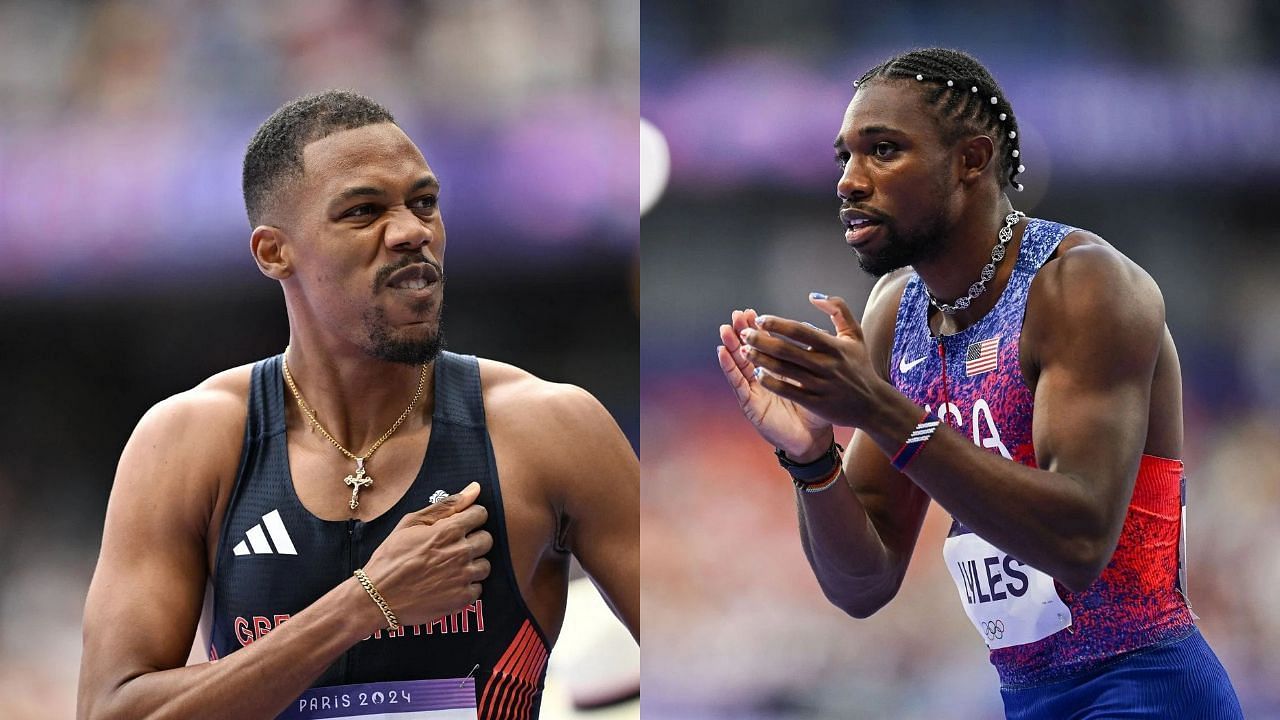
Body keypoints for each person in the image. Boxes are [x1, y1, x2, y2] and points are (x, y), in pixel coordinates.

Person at [78, 90, 638, 720]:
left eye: (424, 203)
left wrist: (779, 461)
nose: (410, 232)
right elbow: (112, 711)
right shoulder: (189, 442)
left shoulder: (550, 430)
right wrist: (365, 604)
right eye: (364, 211)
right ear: (273, 252)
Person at [717, 48, 1242, 718]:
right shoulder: (894, 311)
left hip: (1146, 688)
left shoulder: (1081, 287)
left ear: (971, 160)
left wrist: (876, 407)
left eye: (882, 150)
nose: (849, 181)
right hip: (1025, 698)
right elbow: (863, 585)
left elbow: (1078, 543)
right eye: (844, 156)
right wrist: (813, 458)